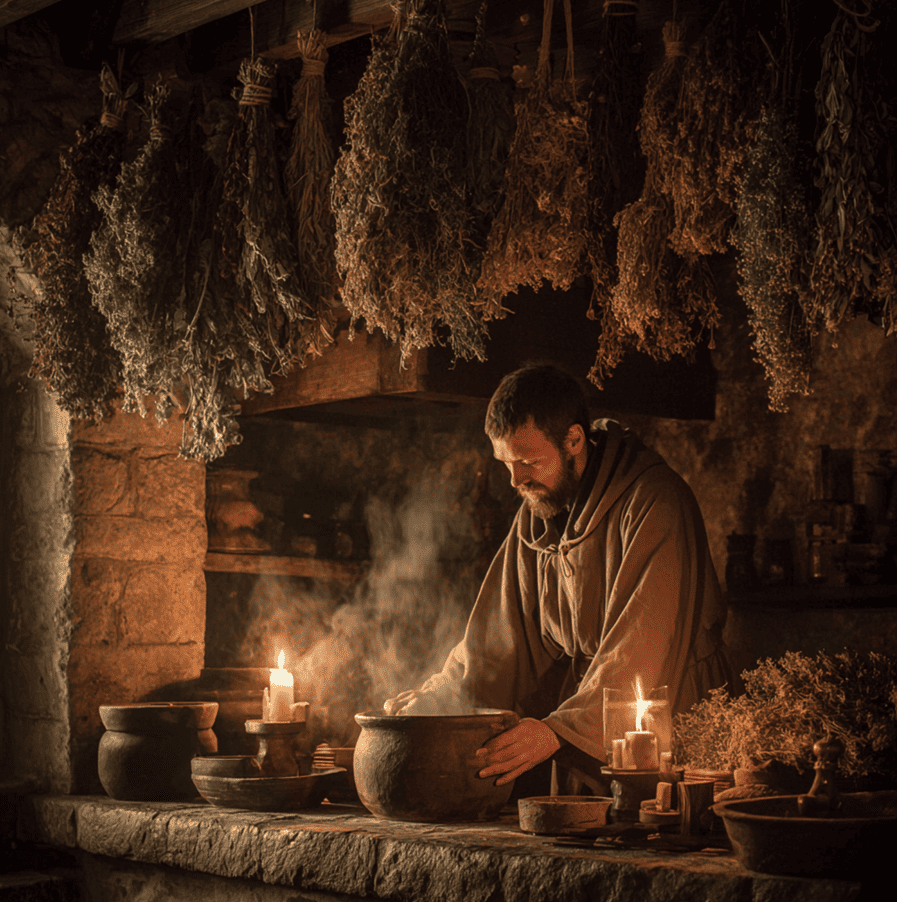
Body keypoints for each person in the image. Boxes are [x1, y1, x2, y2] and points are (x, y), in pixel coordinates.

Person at [385, 363, 733, 795]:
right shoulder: (539, 510)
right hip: (587, 715)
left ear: (573, 440)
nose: (516, 480)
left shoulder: (655, 503)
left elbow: (641, 647)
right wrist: (439, 699)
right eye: (506, 463)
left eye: (528, 461)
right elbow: (496, 637)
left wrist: (558, 730)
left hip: (672, 714)